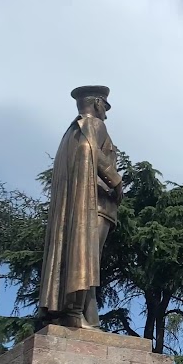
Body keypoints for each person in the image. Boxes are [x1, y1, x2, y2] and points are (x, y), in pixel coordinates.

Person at [39, 85, 123, 329]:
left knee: (87, 260)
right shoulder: (93, 125)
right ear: (97, 103)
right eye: (104, 107)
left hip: (82, 204)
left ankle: (88, 319)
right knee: (86, 259)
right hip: (96, 204)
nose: (105, 113)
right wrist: (116, 181)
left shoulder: (71, 133)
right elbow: (94, 154)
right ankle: (75, 312)